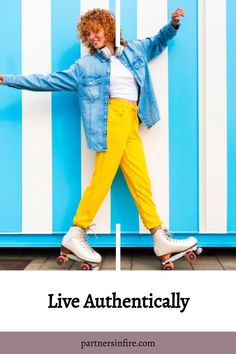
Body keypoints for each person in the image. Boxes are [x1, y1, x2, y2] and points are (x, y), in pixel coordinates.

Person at [0, 7, 198, 269]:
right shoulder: (86, 66)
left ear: (110, 29)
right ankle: (76, 232)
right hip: (111, 121)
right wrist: (7, 79)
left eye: (97, 30)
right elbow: (49, 80)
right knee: (102, 179)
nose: (93, 37)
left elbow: (159, 41)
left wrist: (173, 25)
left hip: (131, 121)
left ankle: (159, 236)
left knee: (141, 181)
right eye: (88, 34)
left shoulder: (135, 50)